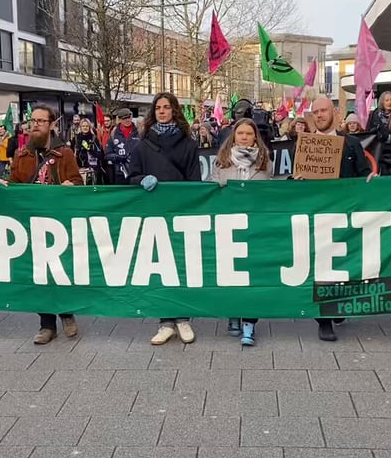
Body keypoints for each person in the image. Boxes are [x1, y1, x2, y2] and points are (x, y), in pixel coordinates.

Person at [4, 104, 83, 344]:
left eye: (40, 121)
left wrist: (71, 186)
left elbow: (77, 181)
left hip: (56, 222)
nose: (35, 125)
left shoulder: (64, 153)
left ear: (51, 125)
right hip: (31, 223)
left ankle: (67, 313)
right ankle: (46, 324)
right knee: (38, 274)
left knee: (59, 270)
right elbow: (14, 184)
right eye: (33, 121)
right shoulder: (22, 155)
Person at [128, 92, 201, 345]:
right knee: (160, 266)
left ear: (174, 111)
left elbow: (195, 182)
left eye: (166, 107)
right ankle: (165, 322)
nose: (161, 111)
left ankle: (183, 319)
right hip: (155, 215)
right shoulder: (142, 144)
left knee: (181, 264)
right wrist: (141, 181)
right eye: (157, 108)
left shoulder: (189, 145)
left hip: (180, 213)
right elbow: (131, 176)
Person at [307, 96, 372, 341]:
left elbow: (363, 174)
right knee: (321, 265)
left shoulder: (352, 144)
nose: (320, 115)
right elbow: (293, 181)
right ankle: (324, 319)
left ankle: (339, 305)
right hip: (316, 215)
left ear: (334, 112)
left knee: (342, 263)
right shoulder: (303, 146)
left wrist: (370, 181)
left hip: (345, 215)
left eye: (324, 110)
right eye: (316, 111)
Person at [210, 118, 271, 346]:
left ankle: (250, 323)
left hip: (255, 226)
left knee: (252, 275)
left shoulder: (265, 162)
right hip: (229, 226)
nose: (244, 137)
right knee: (230, 273)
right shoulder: (222, 162)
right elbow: (211, 189)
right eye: (240, 133)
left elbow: (270, 191)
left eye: (249, 133)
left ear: (255, 137)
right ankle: (233, 313)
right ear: (234, 136)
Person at [105, 108, 140, 185]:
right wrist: (118, 157)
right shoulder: (113, 134)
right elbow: (107, 154)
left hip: (136, 172)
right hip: (120, 173)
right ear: (120, 119)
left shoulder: (139, 132)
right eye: (124, 118)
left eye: (128, 117)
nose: (127, 120)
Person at [74, 118, 104, 184]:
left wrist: (89, 149)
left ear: (89, 127)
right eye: (83, 126)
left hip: (92, 170)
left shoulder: (94, 138)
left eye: (87, 126)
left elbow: (100, 155)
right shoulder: (76, 138)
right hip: (80, 170)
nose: (85, 128)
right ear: (80, 127)